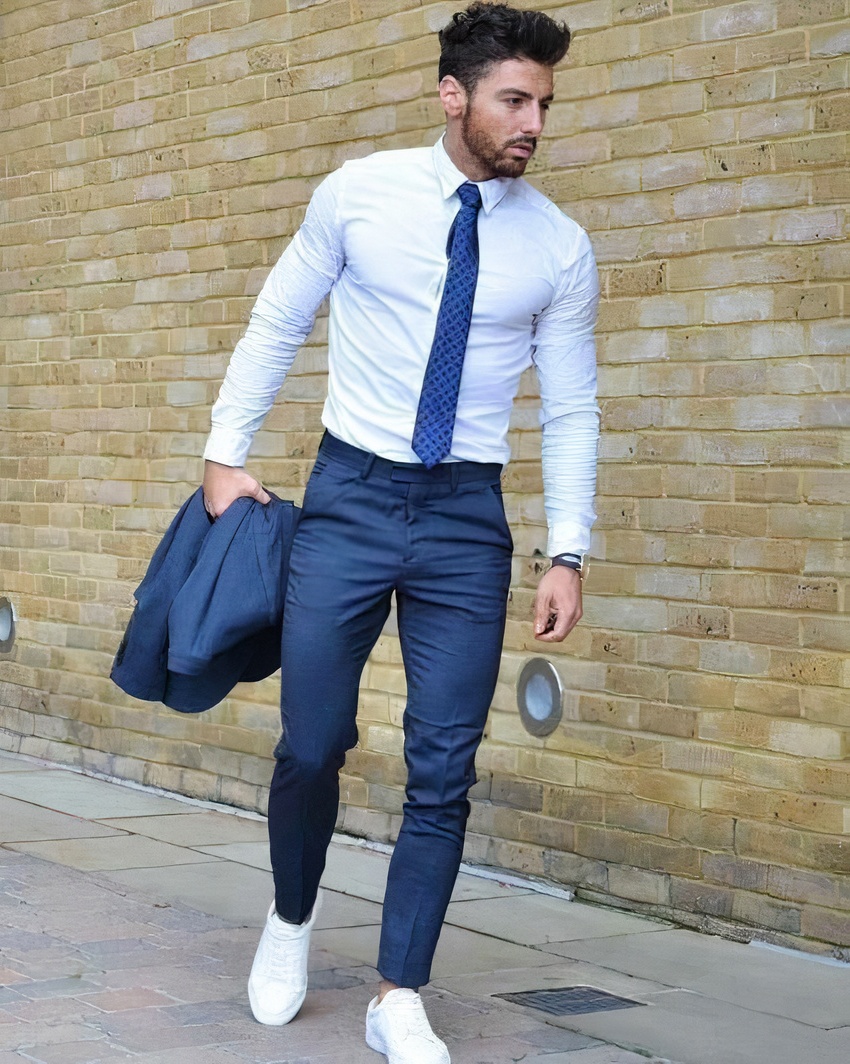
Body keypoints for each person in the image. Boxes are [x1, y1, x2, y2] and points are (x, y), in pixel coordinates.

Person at [201, 3, 600, 1061]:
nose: (533, 123)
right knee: (312, 736)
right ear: (453, 95)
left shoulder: (558, 246)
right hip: (350, 496)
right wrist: (223, 452)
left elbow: (569, 408)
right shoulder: (359, 194)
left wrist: (567, 547)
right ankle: (289, 919)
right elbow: (279, 317)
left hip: (468, 519)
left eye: (544, 104)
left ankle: (399, 989)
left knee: (443, 762)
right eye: (515, 99)